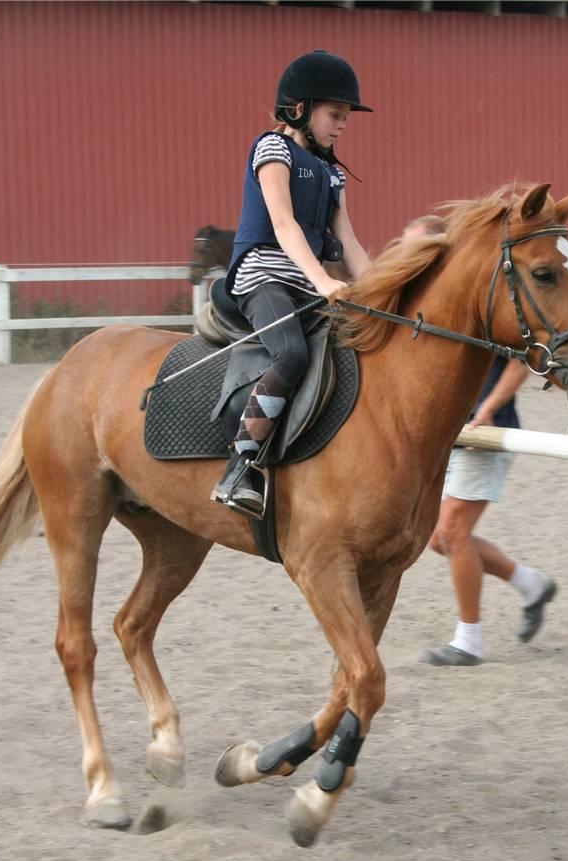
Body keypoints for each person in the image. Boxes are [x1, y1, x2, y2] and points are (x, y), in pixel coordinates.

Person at [211, 50, 372, 514]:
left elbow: (351, 244)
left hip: (309, 284)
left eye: (345, 118)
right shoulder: (272, 149)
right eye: (335, 115)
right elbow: (283, 225)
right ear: (299, 109)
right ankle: (240, 466)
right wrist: (321, 279)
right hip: (264, 277)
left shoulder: (334, 172)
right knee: (292, 352)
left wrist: (385, 294)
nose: (341, 125)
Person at [418, 355, 557, 666]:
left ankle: (468, 642)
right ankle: (532, 585)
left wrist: (489, 408)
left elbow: (521, 361)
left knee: (453, 533)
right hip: (450, 433)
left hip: (485, 432)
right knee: (439, 539)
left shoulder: (498, 308)